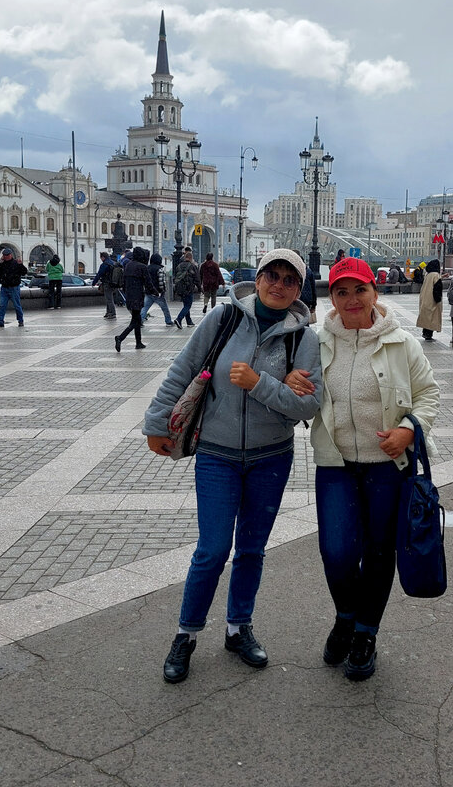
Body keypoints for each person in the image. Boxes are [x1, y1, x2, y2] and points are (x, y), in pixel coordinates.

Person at [143, 249, 321, 684]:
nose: (278, 285)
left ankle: (238, 627)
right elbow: (181, 370)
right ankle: (185, 634)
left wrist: (261, 384)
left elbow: (309, 404)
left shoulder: (304, 338)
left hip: (271, 457)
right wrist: (156, 423)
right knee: (213, 549)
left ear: (299, 289)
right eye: (271, 276)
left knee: (252, 550)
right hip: (217, 454)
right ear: (257, 279)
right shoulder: (222, 320)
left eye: (289, 280)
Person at [286, 256, 438, 681]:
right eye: (341, 291)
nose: (352, 299)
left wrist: (410, 429)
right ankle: (345, 616)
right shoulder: (316, 341)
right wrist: (292, 382)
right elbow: (298, 387)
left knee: (377, 551)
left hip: (388, 467)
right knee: (336, 551)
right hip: (335, 464)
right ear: (330, 297)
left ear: (375, 291)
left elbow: (429, 394)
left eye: (360, 290)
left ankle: (364, 633)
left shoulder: (401, 343)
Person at [113, 247, 157, 351]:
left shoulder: (128, 265)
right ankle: (120, 338)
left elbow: (124, 282)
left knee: (137, 320)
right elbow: (148, 283)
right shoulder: (142, 267)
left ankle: (138, 342)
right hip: (137, 296)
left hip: (129, 296)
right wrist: (155, 292)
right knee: (135, 321)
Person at [0, 248, 28, 328]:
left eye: (7, 255)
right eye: (4, 255)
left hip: (14, 287)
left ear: (10, 255)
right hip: (4, 287)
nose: (5, 257)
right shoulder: (2, 264)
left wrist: (21, 264)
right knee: (1, 305)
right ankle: (0, 322)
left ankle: (20, 321)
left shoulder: (16, 263)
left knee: (17, 305)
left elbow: (24, 272)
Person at [141, 252, 175, 326]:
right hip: (158, 293)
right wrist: (162, 290)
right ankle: (168, 321)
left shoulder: (147, 268)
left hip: (148, 291)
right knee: (164, 308)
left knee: (145, 307)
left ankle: (140, 321)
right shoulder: (159, 269)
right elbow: (161, 281)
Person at [416, 259, 443, 342]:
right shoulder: (436, 275)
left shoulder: (428, 275)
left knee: (426, 317)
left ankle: (425, 333)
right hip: (432, 300)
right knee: (432, 318)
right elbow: (437, 288)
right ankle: (429, 334)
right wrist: (438, 299)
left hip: (425, 299)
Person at [172, 251, 199, 328]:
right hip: (188, 288)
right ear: (191, 258)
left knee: (186, 305)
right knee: (188, 305)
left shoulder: (179, 266)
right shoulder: (192, 266)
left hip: (180, 289)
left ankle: (189, 322)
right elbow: (196, 279)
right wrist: (200, 288)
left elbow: (175, 276)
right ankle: (179, 319)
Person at [92, 251, 117, 319]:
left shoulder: (104, 264)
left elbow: (99, 274)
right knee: (109, 298)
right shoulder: (113, 263)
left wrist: (94, 282)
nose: (100, 259)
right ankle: (108, 312)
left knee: (109, 299)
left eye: (101, 257)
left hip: (107, 283)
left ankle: (112, 313)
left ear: (103, 257)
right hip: (113, 283)